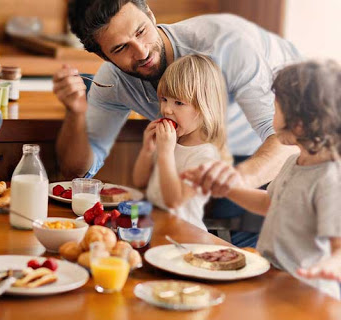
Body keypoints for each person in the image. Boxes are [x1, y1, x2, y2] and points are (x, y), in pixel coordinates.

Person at [53, 0, 301, 246]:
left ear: (150, 14)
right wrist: (76, 113)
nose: (141, 52)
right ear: (103, 56)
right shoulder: (114, 81)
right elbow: (78, 171)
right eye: (120, 48)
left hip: (288, 155)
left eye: (141, 32)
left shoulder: (227, 46)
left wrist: (234, 183)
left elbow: (288, 142)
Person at [183, 60, 341, 299]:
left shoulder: (330, 179)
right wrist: (227, 189)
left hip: (308, 291)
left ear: (298, 123)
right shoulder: (294, 162)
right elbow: (270, 204)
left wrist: (329, 266)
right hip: (275, 279)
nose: (272, 115)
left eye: (276, 108)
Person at [132, 54, 228, 230]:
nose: (167, 109)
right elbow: (140, 182)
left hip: (185, 236)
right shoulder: (169, 141)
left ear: (203, 107)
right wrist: (147, 149)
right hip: (157, 226)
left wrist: (165, 153)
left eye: (178, 103)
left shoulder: (205, 156)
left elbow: (174, 201)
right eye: (164, 99)